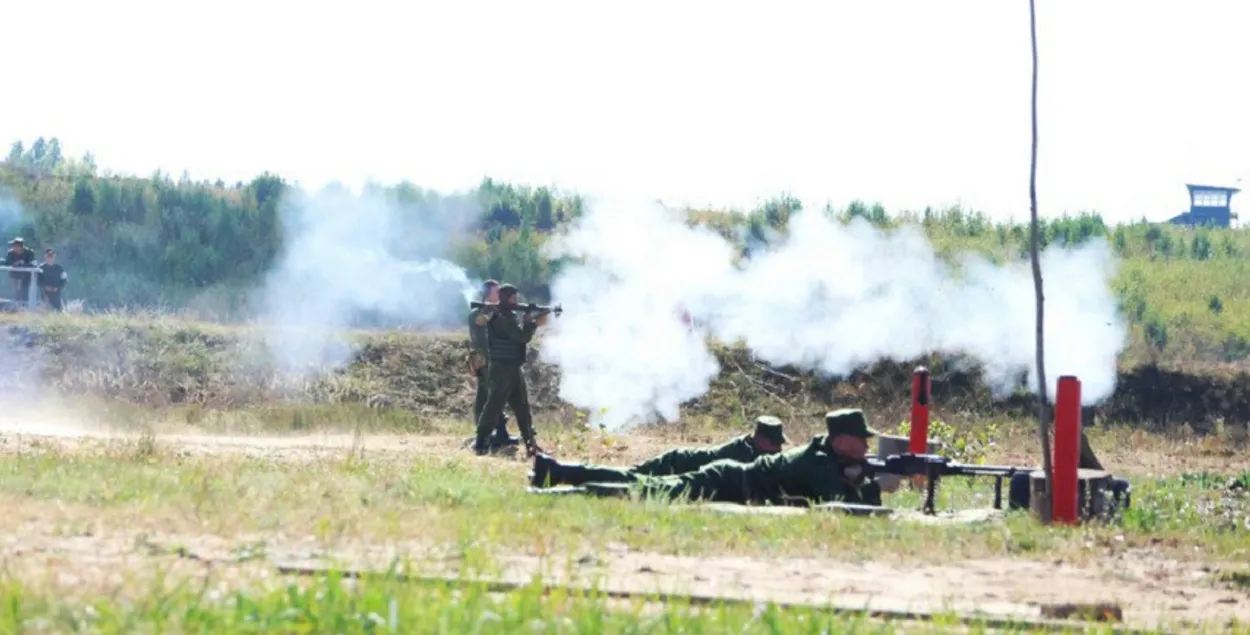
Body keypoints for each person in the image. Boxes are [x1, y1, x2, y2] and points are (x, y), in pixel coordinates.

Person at [573, 408, 903, 507]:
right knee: (646, 488)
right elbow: (838, 501)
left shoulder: (828, 454)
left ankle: (565, 474)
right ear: (843, 441)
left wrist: (864, 476)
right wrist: (877, 487)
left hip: (733, 484)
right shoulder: (815, 460)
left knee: (645, 484)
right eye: (861, 440)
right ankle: (573, 486)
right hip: (725, 480)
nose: (865, 446)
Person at [529, 415, 790, 488]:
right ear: (762, 441)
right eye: (776, 444)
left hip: (680, 463)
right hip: (676, 465)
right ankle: (556, 471)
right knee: (626, 478)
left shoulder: (749, 446)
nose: (779, 449)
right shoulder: (743, 453)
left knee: (626, 477)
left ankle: (557, 472)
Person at [472, 284, 548, 457]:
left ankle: (530, 443)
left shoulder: (507, 315)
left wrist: (529, 319)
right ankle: (481, 441)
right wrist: (530, 323)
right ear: (505, 298)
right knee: (494, 405)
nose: (516, 301)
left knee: (522, 406)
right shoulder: (498, 317)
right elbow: (521, 336)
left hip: (513, 366)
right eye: (513, 298)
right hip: (500, 368)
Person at [467, 279, 519, 448]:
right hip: (485, 360)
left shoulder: (495, 313)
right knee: (493, 397)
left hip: (494, 359)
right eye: (497, 292)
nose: (500, 296)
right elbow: (482, 323)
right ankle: (489, 435)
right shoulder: (478, 313)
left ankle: (496, 434)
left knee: (489, 397)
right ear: (488, 294)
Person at [4, 238, 35, 302]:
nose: (13, 247)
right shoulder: (10, 253)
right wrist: (14, 263)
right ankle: (14, 303)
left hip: (25, 277)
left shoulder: (29, 252)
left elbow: (32, 263)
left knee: (23, 291)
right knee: (15, 291)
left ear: (20, 246)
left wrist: (23, 263)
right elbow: (7, 263)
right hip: (14, 275)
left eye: (14, 245)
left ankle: (23, 305)